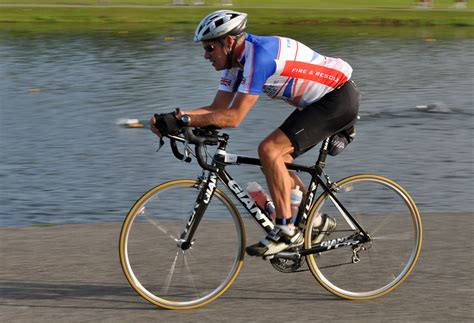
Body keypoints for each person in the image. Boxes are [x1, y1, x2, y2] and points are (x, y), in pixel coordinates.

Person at [150, 10, 360, 257]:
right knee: (274, 161)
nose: (205, 56)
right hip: (317, 104)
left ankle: (286, 231)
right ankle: (315, 221)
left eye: (209, 49)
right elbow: (217, 109)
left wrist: (181, 119)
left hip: (336, 99)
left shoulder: (259, 57)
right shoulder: (234, 63)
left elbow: (233, 117)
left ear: (228, 42)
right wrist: (176, 118)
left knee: (269, 150)